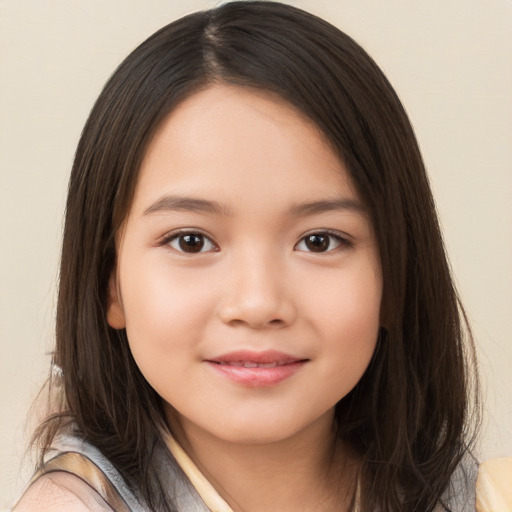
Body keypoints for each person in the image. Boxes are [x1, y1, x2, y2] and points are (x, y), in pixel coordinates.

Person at [11, 1, 493, 511]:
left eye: (319, 240)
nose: (259, 303)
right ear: (110, 285)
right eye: (191, 241)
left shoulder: (465, 494)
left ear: (396, 278)